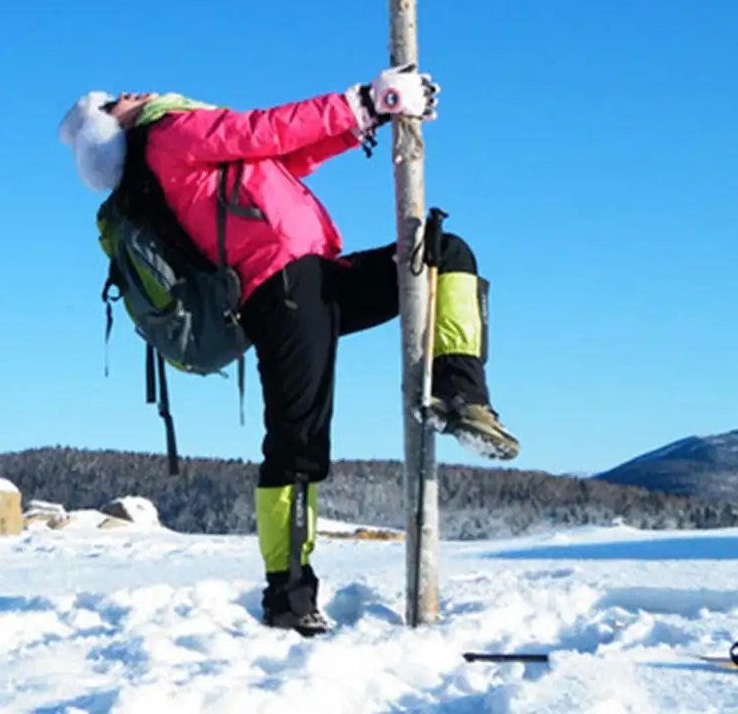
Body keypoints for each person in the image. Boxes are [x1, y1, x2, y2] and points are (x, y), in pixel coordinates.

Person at [58, 67, 519, 636]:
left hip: (315, 278)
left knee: (446, 253)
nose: (127, 93)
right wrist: (362, 102)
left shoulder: (178, 150)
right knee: (297, 442)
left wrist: (368, 119)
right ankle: (288, 597)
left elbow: (284, 156)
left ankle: (461, 394)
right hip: (281, 291)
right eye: (112, 103)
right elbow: (264, 130)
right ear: (113, 131)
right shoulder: (169, 132)